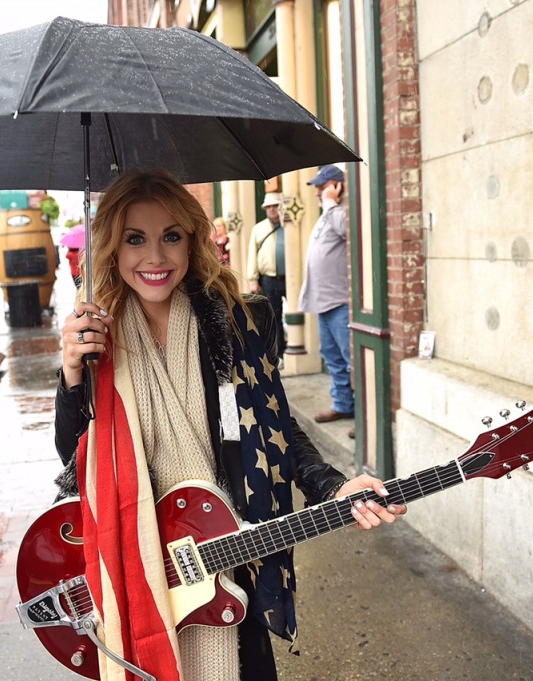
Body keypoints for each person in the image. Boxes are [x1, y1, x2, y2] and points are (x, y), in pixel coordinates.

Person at [54, 170, 405, 681]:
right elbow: (72, 458)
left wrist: (333, 486)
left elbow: (277, 427)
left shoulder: (234, 321)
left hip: (230, 563)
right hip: (138, 573)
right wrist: (70, 375)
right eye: (136, 239)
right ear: (112, 247)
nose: (155, 257)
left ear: (192, 241)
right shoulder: (94, 335)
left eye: (171, 236)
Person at [299, 164, 355, 424]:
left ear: (337, 186)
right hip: (325, 301)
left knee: (350, 359)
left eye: (323, 187)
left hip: (340, 300)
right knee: (332, 356)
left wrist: (331, 203)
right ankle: (343, 404)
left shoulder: (340, 212)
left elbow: (348, 231)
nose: (318, 193)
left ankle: (362, 415)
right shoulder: (327, 214)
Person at [246, 193, 287, 354]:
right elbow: (252, 254)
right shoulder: (259, 228)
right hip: (269, 279)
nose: (272, 209)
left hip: (290, 278)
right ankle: (279, 352)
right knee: (274, 316)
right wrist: (252, 279)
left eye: (275, 206)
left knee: (297, 313)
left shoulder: (289, 225)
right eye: (268, 207)